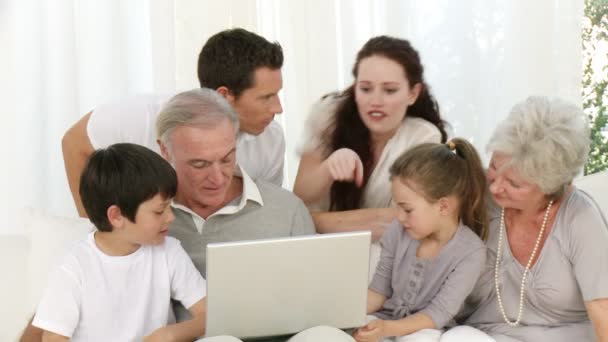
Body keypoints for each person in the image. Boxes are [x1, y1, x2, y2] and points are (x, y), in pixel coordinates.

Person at [63, 27, 285, 217]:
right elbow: (75, 143)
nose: (278, 109)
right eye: (266, 97)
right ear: (224, 95)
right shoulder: (141, 117)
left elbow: (265, 215)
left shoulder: (270, 141)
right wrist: (96, 226)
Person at [443, 96, 608, 342]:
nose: (496, 187)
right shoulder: (478, 198)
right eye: (495, 168)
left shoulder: (580, 219)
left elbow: (603, 312)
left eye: (514, 183)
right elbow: (410, 215)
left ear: (548, 186)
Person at [31, 143, 226, 341]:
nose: (170, 217)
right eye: (159, 211)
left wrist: (170, 334)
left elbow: (212, 315)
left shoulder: (169, 251)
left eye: (170, 207)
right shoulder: (74, 266)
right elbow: (54, 337)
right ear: (116, 216)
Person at [293, 36, 448, 277]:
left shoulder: (422, 136)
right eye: (365, 89)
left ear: (413, 93)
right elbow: (299, 197)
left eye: (389, 90)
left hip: (379, 258)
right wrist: (327, 169)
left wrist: (311, 222)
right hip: (315, 251)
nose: (375, 101)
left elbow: (397, 220)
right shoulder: (329, 114)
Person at [352, 138, 488, 342]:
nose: (398, 216)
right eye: (396, 206)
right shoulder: (398, 231)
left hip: (425, 328)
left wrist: (388, 329)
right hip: (384, 320)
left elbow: (438, 313)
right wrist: (341, 314)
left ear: (443, 207)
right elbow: (378, 291)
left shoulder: (471, 252)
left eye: (407, 209)